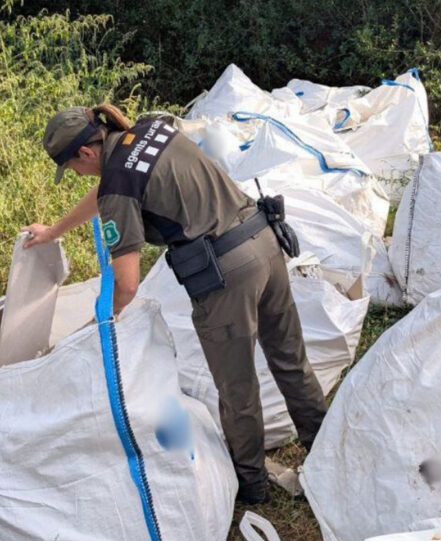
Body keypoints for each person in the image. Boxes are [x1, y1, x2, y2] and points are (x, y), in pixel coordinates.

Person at [23, 102, 327, 504]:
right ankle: (325, 452)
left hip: (229, 273)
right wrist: (56, 230)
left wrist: (98, 327)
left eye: (73, 167)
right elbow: (109, 189)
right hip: (265, 240)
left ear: (85, 152)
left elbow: (126, 284)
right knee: (291, 360)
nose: (77, 175)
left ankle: (251, 485)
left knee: (237, 388)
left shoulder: (118, 183)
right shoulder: (148, 131)